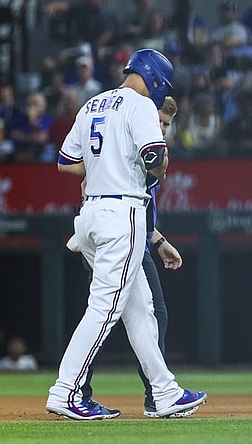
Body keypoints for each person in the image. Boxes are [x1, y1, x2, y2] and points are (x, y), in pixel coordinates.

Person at [47, 48, 206, 420]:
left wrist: (102, 168)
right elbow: (153, 156)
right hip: (122, 214)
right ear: (155, 79)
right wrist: (160, 167)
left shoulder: (92, 104)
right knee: (105, 308)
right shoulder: (140, 105)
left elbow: (66, 162)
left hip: (91, 214)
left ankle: (165, 392)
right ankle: (66, 391)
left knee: (140, 309)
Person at [75, 95, 190, 417]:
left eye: (167, 124)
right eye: (159, 121)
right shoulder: (128, 146)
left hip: (134, 237)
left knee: (130, 316)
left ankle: (157, 394)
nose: (162, 129)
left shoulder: (143, 151)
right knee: (106, 319)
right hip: (116, 237)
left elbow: (142, 206)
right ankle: (79, 391)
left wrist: (158, 240)